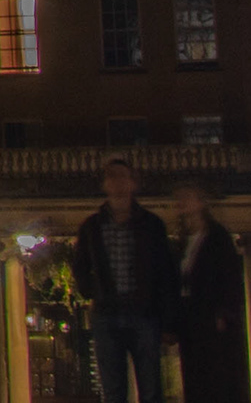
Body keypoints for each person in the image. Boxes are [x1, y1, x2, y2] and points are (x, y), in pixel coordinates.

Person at [73, 156, 180, 403]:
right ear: (105, 185)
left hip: (144, 313)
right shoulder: (92, 226)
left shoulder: (152, 225)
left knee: (151, 389)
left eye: (122, 176)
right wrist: (91, 291)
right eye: (111, 177)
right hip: (106, 314)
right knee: (112, 391)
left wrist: (168, 320)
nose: (117, 182)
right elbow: (80, 265)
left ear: (133, 183)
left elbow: (165, 272)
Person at [168, 181, 247, 403]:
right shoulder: (182, 240)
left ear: (201, 202)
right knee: (194, 380)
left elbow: (229, 278)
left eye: (186, 196)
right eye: (178, 197)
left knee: (217, 380)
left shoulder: (217, 237)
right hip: (190, 320)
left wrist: (223, 313)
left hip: (212, 322)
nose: (180, 202)